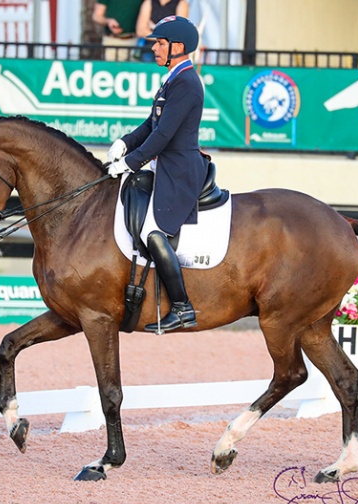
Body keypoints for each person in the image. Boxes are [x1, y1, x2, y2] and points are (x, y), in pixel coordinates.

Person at [107, 16, 204, 333]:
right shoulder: (172, 80)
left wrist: (131, 162)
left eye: (161, 44)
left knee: (153, 230)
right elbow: (151, 126)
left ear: (178, 47)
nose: (155, 49)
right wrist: (125, 143)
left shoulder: (187, 83)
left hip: (180, 169)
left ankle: (182, 307)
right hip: (163, 166)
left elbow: (163, 137)